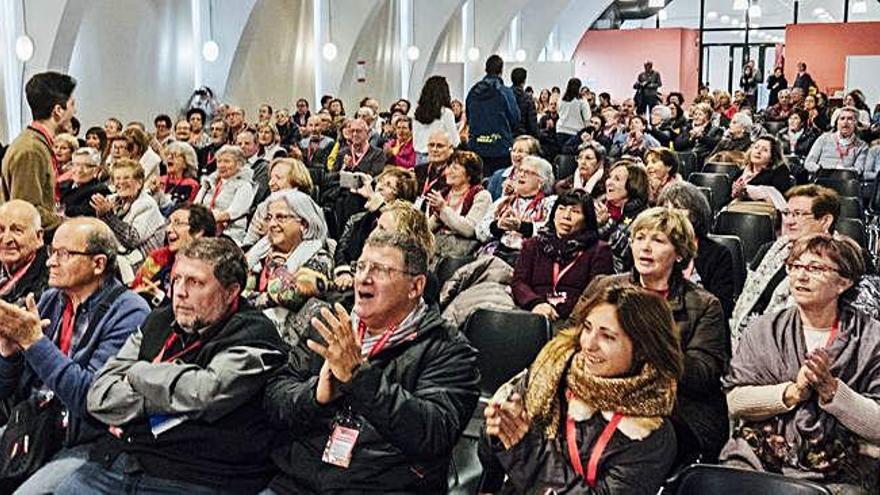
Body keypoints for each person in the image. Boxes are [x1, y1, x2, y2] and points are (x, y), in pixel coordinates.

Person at [54, 238, 287, 494]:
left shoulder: (255, 335)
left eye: (195, 282)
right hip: (123, 461)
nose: (180, 292)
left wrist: (135, 373)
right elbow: (98, 395)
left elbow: (203, 392)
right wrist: (167, 394)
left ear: (231, 291)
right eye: (176, 279)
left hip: (199, 475)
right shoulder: (160, 319)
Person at [263, 231, 479, 493]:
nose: (363, 278)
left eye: (380, 270)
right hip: (299, 482)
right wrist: (315, 396)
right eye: (361, 266)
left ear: (415, 286)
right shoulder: (331, 322)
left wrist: (359, 377)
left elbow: (433, 434)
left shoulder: (448, 348)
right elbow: (274, 399)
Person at [478, 283, 682, 494]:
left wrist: (527, 451)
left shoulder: (651, 434)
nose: (588, 344)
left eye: (608, 336)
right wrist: (496, 430)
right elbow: (489, 460)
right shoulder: (550, 371)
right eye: (587, 327)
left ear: (642, 349)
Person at [0, 218, 150, 493]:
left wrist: (34, 342)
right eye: (52, 252)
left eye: (64, 254)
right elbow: (5, 389)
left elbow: (92, 400)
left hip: (83, 441)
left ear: (99, 264)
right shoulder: (50, 300)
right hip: (33, 424)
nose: (50, 262)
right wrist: (8, 355)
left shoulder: (130, 313)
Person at [721, 234, 880, 492]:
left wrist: (833, 393)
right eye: (795, 266)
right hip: (758, 458)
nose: (800, 276)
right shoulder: (763, 329)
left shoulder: (872, 338)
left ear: (843, 282)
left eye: (815, 268)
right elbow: (735, 402)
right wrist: (792, 392)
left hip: (843, 470)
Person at [593, 207, 729, 460]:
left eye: (657, 240)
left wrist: (650, 339)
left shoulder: (703, 305)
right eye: (640, 237)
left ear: (679, 253)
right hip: (604, 393)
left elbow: (702, 375)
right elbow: (571, 341)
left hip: (674, 409)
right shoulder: (605, 287)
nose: (645, 247)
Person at [731, 184, 840, 339]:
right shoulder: (769, 250)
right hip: (751, 338)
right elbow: (745, 301)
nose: (789, 221)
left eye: (797, 214)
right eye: (787, 213)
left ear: (825, 221)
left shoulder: (842, 258)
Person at [512, 190, 612, 323]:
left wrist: (562, 310)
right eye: (561, 209)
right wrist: (536, 303)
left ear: (587, 220)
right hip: (533, 313)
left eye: (575, 212)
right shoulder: (533, 245)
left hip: (575, 319)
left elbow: (596, 295)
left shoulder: (599, 250)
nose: (566, 216)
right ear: (553, 214)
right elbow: (519, 282)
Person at [244, 189, 332, 331]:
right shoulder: (260, 251)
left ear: (304, 223)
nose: (272, 224)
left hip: (284, 339)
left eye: (281, 217)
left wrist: (276, 266)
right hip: (247, 326)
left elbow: (290, 295)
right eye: (269, 217)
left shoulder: (320, 258)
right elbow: (233, 285)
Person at [1, 72, 77, 234]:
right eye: (72, 105)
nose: (74, 111)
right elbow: (27, 214)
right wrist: (74, 225)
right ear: (58, 110)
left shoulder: (37, 144)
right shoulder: (31, 150)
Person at [333, 167, 418, 291]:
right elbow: (342, 249)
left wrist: (374, 200)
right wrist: (344, 272)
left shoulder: (405, 226)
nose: (379, 187)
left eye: (388, 185)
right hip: (347, 278)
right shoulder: (357, 219)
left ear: (401, 196)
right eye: (381, 181)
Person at [658, 182, 735, 317]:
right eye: (665, 207)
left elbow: (721, 306)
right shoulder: (653, 248)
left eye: (677, 207)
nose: (670, 213)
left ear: (694, 214)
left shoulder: (718, 254)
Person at [131, 204, 216, 308]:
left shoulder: (209, 272)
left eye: (177, 223)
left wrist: (159, 297)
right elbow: (139, 288)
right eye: (169, 223)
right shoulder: (161, 259)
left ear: (198, 232)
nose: (168, 229)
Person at [90, 159, 166, 276]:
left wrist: (107, 215)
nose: (121, 182)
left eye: (126, 178)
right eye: (117, 178)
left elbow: (132, 239)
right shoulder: (113, 200)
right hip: (120, 257)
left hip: (146, 266)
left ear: (139, 182)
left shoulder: (146, 204)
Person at [477, 156, 557, 265]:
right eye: (520, 170)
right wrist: (498, 226)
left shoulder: (550, 202)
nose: (521, 174)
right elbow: (480, 232)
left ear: (542, 181)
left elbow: (552, 231)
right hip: (497, 253)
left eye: (528, 172)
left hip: (527, 259)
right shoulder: (504, 201)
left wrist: (522, 227)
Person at [425, 150, 492, 262]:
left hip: (462, 253)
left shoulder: (482, 196)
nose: (448, 172)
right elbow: (428, 229)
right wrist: (436, 215)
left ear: (469, 175)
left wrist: (443, 209)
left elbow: (469, 230)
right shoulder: (443, 194)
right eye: (448, 167)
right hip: (438, 246)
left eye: (455, 168)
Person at [466, 55, 521, 176]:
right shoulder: (505, 92)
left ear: (486, 69)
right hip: (500, 147)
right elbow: (515, 119)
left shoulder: (473, 92)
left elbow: (468, 117)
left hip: (477, 146)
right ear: (501, 70)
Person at [243, 157, 314, 248]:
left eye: (278, 178)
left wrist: (270, 234)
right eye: (271, 178)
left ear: (296, 181)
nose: (271, 183)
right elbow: (248, 242)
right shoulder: (263, 207)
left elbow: (313, 243)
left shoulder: (308, 208)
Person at [193, 144, 255, 245]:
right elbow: (195, 205)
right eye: (219, 161)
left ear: (239, 164)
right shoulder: (209, 182)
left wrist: (204, 220)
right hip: (203, 229)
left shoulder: (244, 186)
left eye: (227, 161)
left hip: (229, 234)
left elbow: (230, 214)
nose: (221, 165)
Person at [596, 161, 650, 273]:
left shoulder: (643, 218)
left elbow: (618, 253)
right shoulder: (599, 207)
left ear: (632, 185)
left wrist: (606, 225)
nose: (609, 182)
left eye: (617, 179)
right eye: (609, 177)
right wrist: (599, 224)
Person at [0, 201, 50, 306]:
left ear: (38, 237)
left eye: (17, 230)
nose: (6, 239)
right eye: (1, 230)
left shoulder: (49, 282)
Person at [804, 107, 869, 175]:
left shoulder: (862, 146)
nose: (845, 122)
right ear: (837, 122)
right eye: (842, 118)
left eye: (850, 119)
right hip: (822, 178)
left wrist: (840, 172)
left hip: (846, 181)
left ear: (855, 123)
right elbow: (809, 163)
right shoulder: (823, 139)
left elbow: (858, 169)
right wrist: (820, 170)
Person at [412, 76, 460, 167]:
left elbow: (415, 141)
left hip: (419, 158)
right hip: (438, 158)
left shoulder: (417, 113)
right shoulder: (446, 113)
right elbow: (455, 141)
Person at [731, 136, 795, 205]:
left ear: (772, 157)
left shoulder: (779, 172)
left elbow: (778, 199)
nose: (758, 152)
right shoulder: (740, 173)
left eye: (765, 150)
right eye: (756, 147)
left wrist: (746, 192)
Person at [60, 148, 111, 218]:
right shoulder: (63, 185)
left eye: (87, 166)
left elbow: (82, 214)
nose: (79, 170)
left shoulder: (100, 191)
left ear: (96, 170)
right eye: (76, 165)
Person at [152, 140, 200, 214]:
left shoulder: (190, 184)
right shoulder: (159, 180)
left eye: (174, 155)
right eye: (168, 154)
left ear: (185, 163)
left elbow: (179, 209)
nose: (169, 157)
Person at [415, 129, 456, 196]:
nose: (434, 149)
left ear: (451, 149)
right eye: (431, 145)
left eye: (440, 146)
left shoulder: (455, 174)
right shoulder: (418, 170)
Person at [556, 78, 592, 148]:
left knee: (561, 152)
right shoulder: (582, 100)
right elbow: (587, 118)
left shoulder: (561, 99)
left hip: (560, 130)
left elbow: (558, 112)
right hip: (576, 132)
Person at [510, 67, 538, 138]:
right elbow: (532, 125)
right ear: (524, 80)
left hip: (506, 136)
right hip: (521, 137)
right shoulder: (528, 99)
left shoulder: (505, 95)